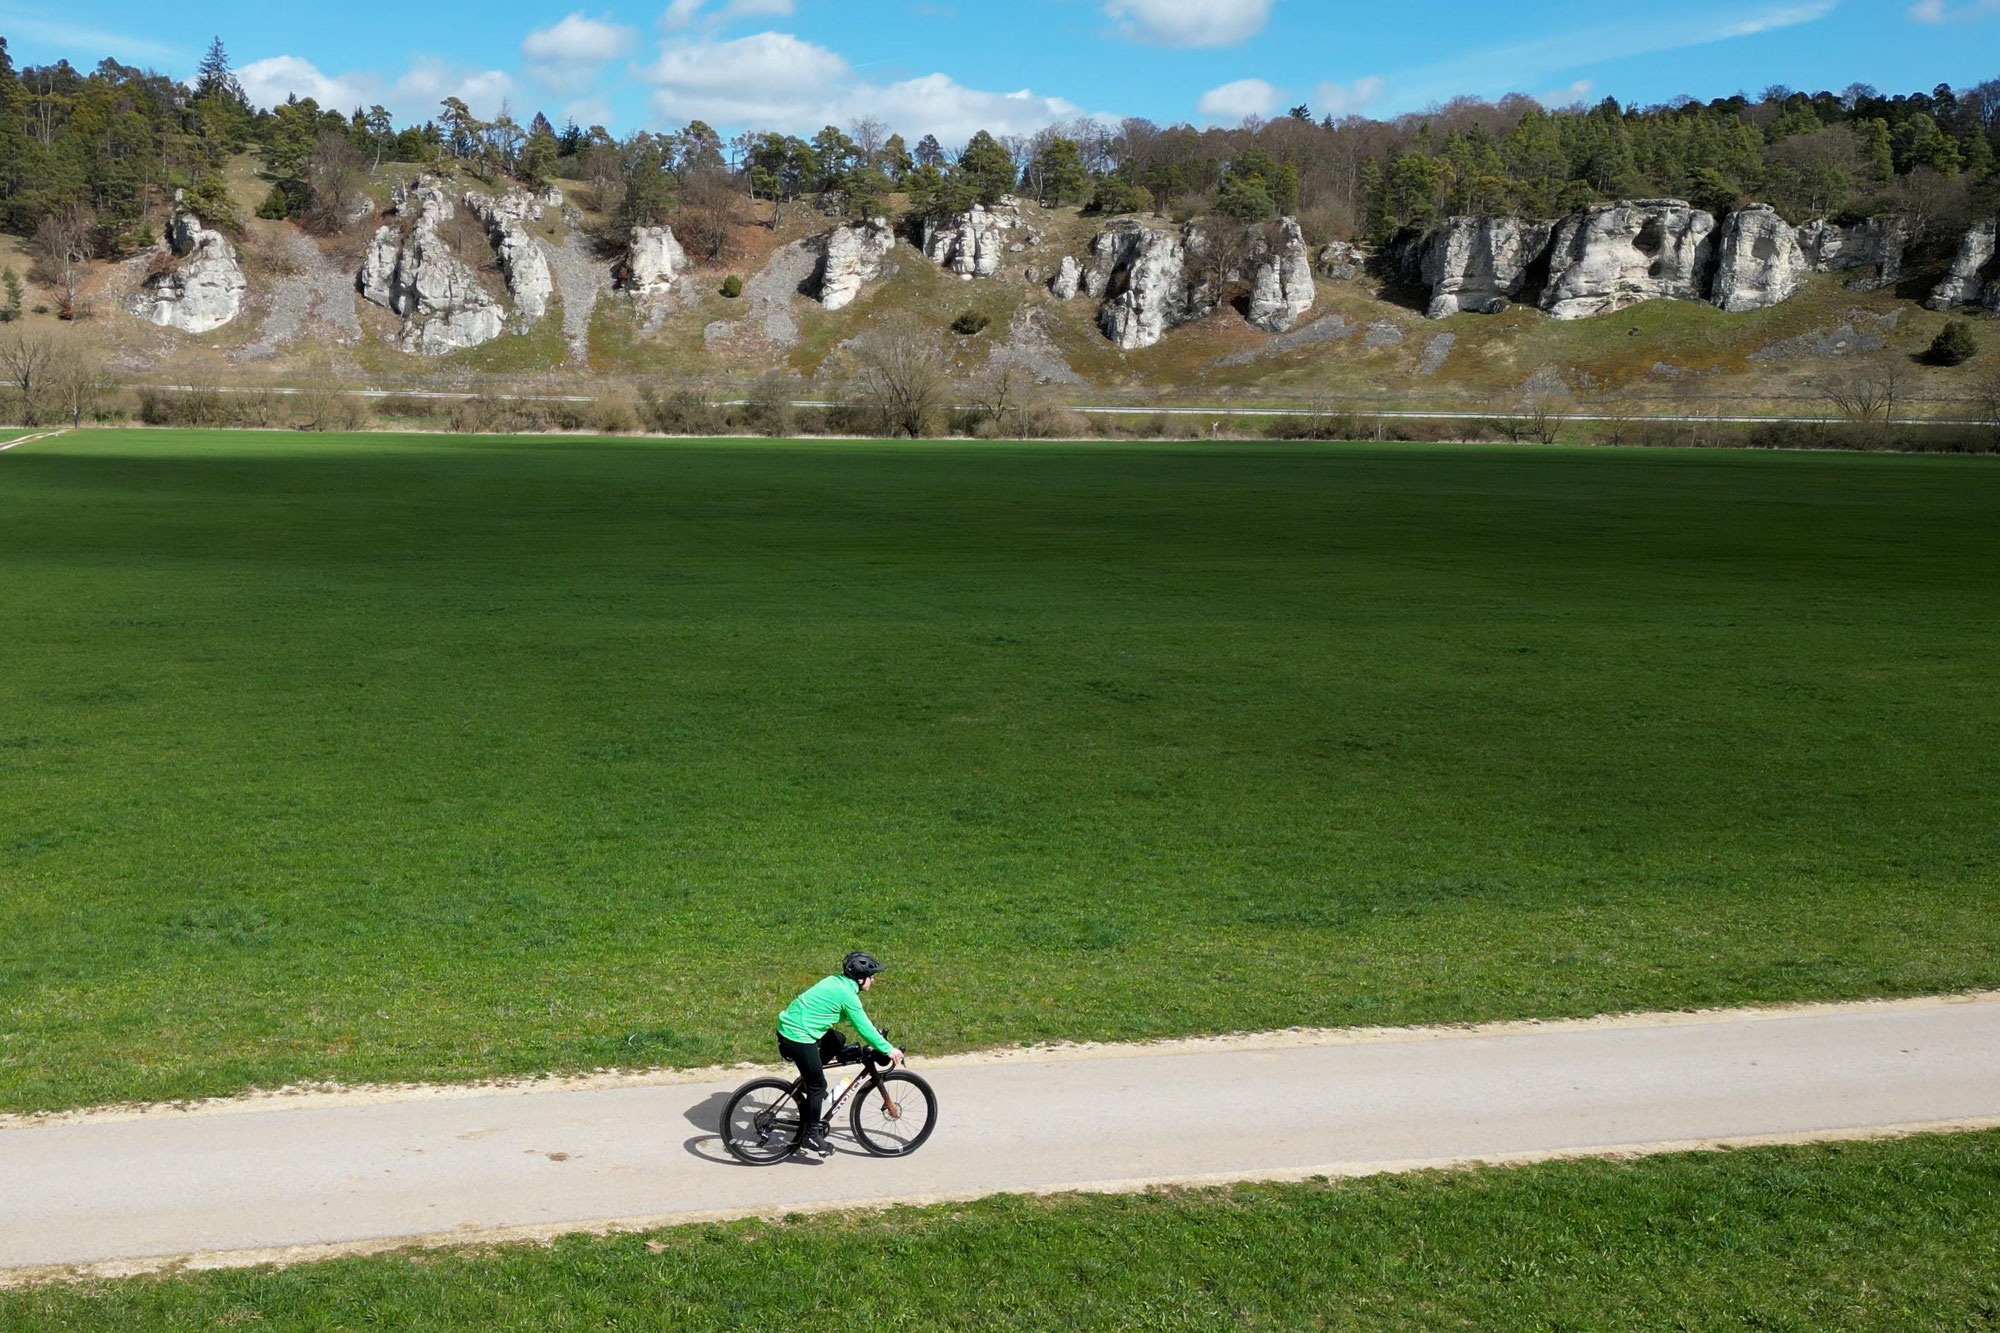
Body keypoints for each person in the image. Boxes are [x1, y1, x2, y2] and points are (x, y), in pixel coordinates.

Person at [777, 951, 904, 1154]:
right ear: (860, 979)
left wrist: (876, 1039)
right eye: (871, 976)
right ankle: (810, 1136)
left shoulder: (836, 981)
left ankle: (807, 1078)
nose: (874, 980)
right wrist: (888, 1049)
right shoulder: (848, 995)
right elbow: (862, 1026)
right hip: (798, 1035)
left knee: (838, 1041)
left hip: (792, 1024)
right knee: (818, 1086)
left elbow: (840, 1013)